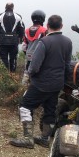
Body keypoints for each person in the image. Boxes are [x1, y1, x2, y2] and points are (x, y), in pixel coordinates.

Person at [10, 15, 72, 149]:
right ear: (61, 26)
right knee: (50, 109)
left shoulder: (44, 42)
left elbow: (34, 66)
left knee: (25, 106)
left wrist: (30, 75)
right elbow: (67, 65)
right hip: (57, 84)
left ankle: (27, 139)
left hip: (42, 83)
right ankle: (44, 138)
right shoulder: (68, 42)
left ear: (48, 26)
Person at [0, 2, 25, 72]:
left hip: (2, 41)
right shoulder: (18, 17)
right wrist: (21, 39)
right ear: (13, 7)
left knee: (3, 59)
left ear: (5, 7)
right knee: (13, 59)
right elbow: (22, 29)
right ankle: (12, 75)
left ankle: (5, 76)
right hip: (14, 42)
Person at [21, 10, 47, 85]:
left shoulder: (26, 30)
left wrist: (27, 53)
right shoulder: (44, 30)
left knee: (27, 72)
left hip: (28, 56)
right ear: (43, 19)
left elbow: (24, 46)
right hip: (40, 57)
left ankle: (23, 87)